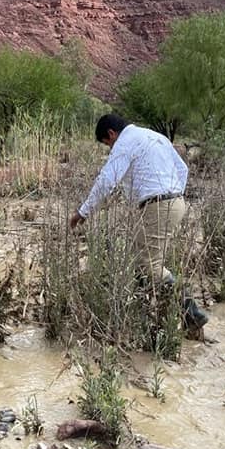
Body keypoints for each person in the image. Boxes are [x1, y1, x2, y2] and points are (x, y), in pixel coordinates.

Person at [69, 113, 208, 329]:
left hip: (158, 205)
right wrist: (173, 195)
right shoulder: (156, 137)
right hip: (175, 203)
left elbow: (107, 180)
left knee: (149, 265)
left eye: (108, 144)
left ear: (111, 133)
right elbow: (183, 169)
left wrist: (83, 212)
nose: (110, 149)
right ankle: (148, 316)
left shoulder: (125, 143)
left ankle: (192, 314)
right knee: (140, 260)